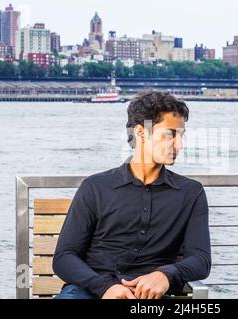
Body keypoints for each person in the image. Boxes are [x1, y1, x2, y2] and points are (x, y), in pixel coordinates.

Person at [53, 91, 211, 299]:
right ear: (141, 132)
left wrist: (164, 275)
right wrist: (105, 287)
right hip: (89, 292)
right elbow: (64, 257)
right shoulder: (95, 187)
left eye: (181, 136)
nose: (179, 145)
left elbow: (200, 259)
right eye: (170, 134)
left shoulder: (190, 193)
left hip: (151, 296)